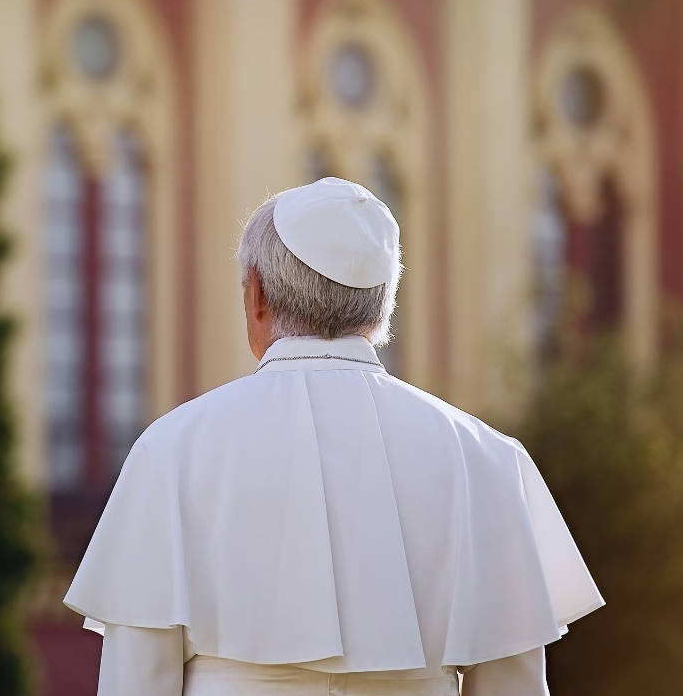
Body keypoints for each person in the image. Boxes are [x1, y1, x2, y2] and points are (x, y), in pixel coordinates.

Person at [65, 177, 603, 695]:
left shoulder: (171, 451)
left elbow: (136, 684)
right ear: (383, 304)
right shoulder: (488, 460)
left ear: (256, 293)